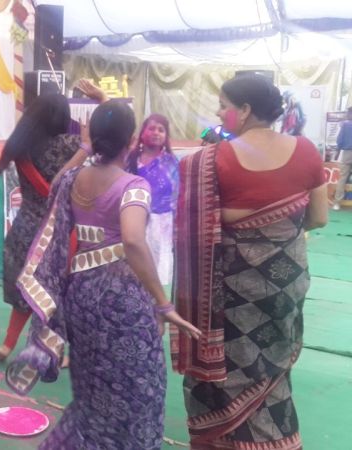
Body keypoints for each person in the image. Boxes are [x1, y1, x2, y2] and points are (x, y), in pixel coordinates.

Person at [5, 100, 200, 449]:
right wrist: (163, 303)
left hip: (80, 294)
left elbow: (58, 181)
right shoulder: (133, 186)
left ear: (92, 136)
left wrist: (84, 149)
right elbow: (133, 240)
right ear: (131, 140)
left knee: (91, 388)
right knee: (139, 391)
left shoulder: (71, 180)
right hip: (122, 298)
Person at [173, 74, 328, 449]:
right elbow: (319, 218)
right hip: (286, 284)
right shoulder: (306, 150)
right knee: (272, 369)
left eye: (223, 105)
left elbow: (199, 230)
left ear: (243, 110)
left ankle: (222, 440)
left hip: (231, 291)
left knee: (227, 369)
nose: (218, 112)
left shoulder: (213, 160)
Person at [0, 93, 81, 362]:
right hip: (58, 230)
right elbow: (108, 138)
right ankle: (58, 351)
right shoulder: (70, 145)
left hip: (26, 227)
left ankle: (8, 343)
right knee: (56, 293)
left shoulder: (21, 146)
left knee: (25, 289)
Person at [127, 113, 178, 285]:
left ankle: (158, 298)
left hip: (163, 222)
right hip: (135, 219)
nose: (156, 132)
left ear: (166, 137)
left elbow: (177, 194)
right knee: (135, 267)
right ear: (142, 133)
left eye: (161, 130)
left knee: (159, 268)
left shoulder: (171, 163)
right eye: (151, 128)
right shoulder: (130, 160)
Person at [333, 106, 352, 210]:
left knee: (342, 178)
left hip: (347, 153)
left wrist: (337, 152)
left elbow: (340, 140)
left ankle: (337, 203)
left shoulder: (345, 125)